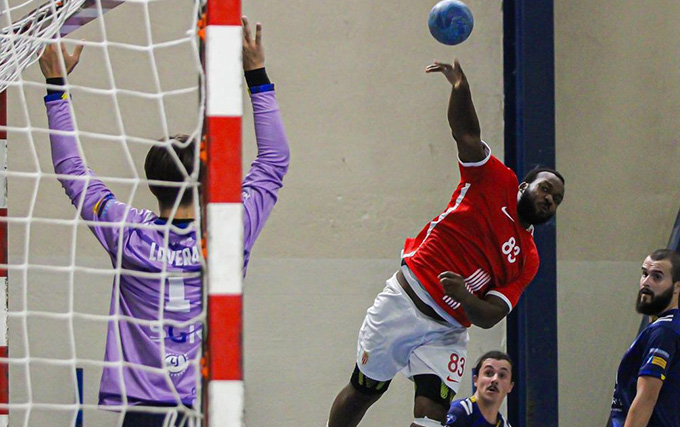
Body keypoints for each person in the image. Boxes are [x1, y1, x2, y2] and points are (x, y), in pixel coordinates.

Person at [39, 16, 289, 426]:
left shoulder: (127, 232)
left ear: (151, 183)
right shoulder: (230, 230)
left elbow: (72, 172)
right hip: (208, 405)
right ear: (206, 182)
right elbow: (273, 162)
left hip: (145, 410)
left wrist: (56, 87)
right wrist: (256, 73)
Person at [327, 59, 565, 427]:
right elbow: (466, 134)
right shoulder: (496, 180)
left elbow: (491, 315)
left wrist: (466, 298)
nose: (550, 199)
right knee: (365, 390)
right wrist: (460, 88)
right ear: (524, 187)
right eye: (546, 188)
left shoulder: (529, 258)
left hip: (447, 330)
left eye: (556, 199)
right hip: (405, 302)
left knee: (433, 416)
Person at [610, 249, 680, 427]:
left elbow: (646, 399)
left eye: (657, 277)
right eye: (644, 274)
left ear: (677, 287)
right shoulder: (665, 327)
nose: (646, 282)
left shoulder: (663, 332)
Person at [445, 351, 513, 427]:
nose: (495, 379)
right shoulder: (458, 412)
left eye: (502, 375)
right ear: (476, 379)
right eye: (489, 373)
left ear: (510, 386)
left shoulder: (505, 425)